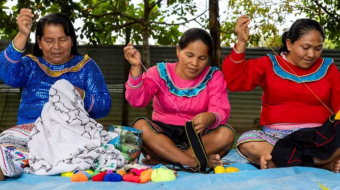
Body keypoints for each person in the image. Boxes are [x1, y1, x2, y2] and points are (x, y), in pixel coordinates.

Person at [0, 9, 111, 180]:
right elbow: (7, 74)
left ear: (72, 40)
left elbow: (103, 106)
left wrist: (77, 94)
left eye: (63, 40)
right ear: (39, 42)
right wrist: (22, 34)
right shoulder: (31, 64)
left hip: (72, 134)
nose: (56, 47)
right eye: (49, 41)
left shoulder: (86, 66)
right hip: (30, 133)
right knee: (3, 146)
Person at [222, 15, 340, 172]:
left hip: (319, 139)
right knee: (247, 142)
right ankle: (322, 163)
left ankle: (279, 162)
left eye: (318, 49)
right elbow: (235, 82)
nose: (312, 55)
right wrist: (242, 43)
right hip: (276, 139)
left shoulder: (328, 68)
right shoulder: (268, 64)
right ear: (289, 44)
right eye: (305, 48)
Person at [124, 28, 235, 168]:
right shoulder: (159, 72)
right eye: (189, 55)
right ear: (178, 51)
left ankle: (169, 160)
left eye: (202, 58)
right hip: (162, 139)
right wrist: (135, 67)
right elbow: (137, 100)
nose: (195, 63)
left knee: (226, 134)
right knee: (140, 126)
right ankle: (193, 162)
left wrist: (211, 117)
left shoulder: (214, 76)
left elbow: (221, 109)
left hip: (197, 136)